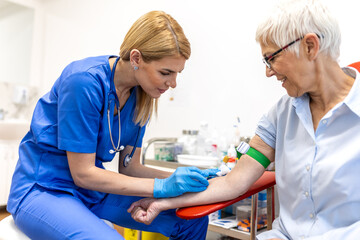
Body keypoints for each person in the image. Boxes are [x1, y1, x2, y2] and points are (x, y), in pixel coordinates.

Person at [128, 1, 360, 239]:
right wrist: (164, 202)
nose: (268, 71)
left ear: (310, 46)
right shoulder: (281, 115)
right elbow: (233, 182)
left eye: (272, 58)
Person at [7, 11, 217, 240]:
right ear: (136, 58)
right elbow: (83, 174)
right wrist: (162, 186)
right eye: (165, 72)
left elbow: (131, 168)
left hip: (93, 191)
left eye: (177, 73)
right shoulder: (83, 81)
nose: (173, 83)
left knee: (191, 218)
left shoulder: (140, 95)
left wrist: (183, 177)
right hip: (44, 188)